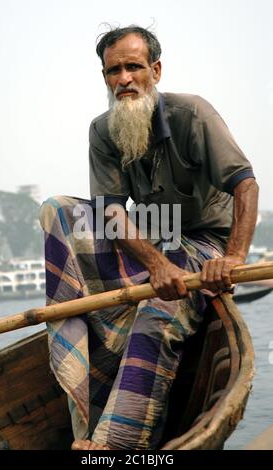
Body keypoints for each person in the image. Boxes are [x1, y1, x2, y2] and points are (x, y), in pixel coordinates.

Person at [39, 25, 258, 451]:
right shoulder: (103, 131)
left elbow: (245, 184)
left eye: (133, 67)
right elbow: (110, 211)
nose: (124, 79)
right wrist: (156, 264)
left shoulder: (192, 114)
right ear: (105, 77)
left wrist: (233, 259)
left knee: (162, 304)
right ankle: (100, 345)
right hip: (153, 243)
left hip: (203, 242)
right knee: (57, 209)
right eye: (113, 70)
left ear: (154, 70)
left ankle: (114, 443)